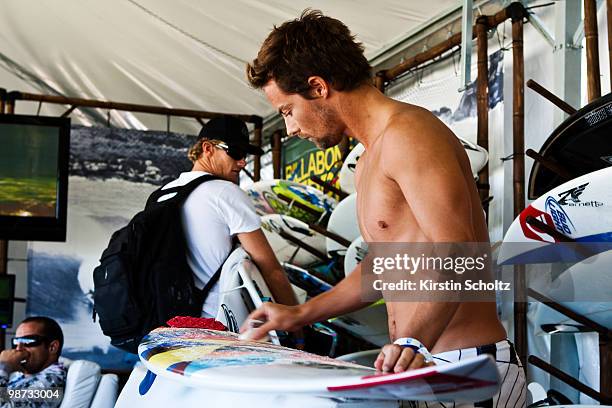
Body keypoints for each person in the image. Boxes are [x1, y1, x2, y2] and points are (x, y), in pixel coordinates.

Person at [243, 10, 525, 407]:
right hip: (420, 364)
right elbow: (384, 268)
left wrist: (414, 340)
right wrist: (299, 313)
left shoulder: (410, 133)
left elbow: (463, 255)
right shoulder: (369, 160)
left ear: (318, 87)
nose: (290, 129)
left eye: (287, 111)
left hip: (462, 367)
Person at [159, 116, 299, 327]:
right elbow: (271, 269)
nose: (242, 162)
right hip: (219, 324)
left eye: (245, 155)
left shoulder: (163, 194)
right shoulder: (226, 192)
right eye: (235, 152)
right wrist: (298, 322)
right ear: (207, 148)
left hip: (172, 325)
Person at [0, 316, 66, 408]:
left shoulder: (52, 384)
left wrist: (4, 367)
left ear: (52, 347)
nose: (18, 349)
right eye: (16, 342)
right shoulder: (25, 374)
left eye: (28, 341)